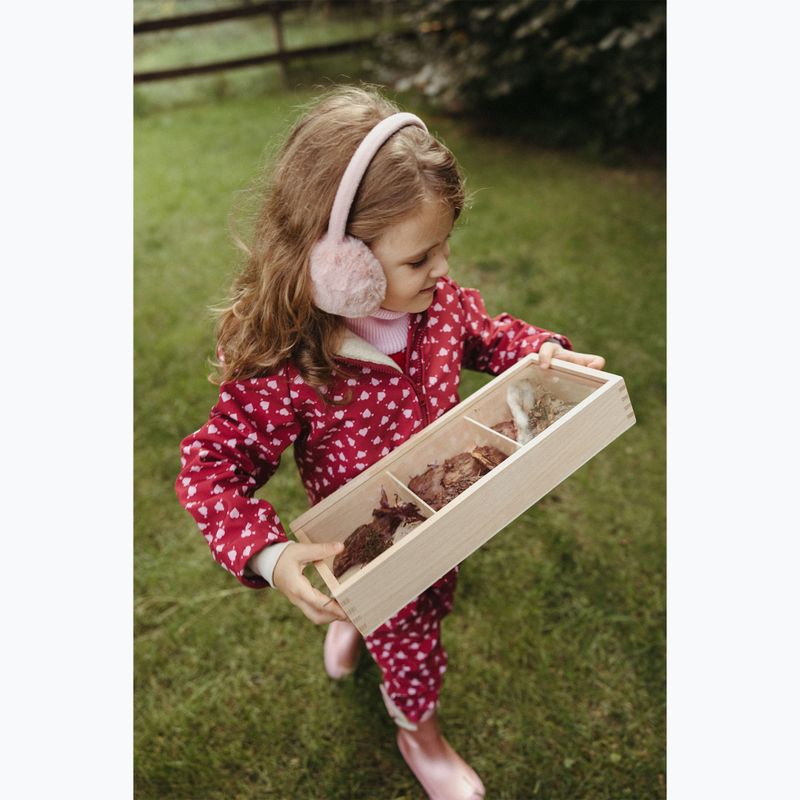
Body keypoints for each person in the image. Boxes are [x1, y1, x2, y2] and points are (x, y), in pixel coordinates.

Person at [175, 84, 606, 800]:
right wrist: (271, 555)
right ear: (340, 267)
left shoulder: (436, 305)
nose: (444, 269)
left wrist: (542, 350)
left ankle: (358, 623)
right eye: (421, 258)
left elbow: (487, 335)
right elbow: (209, 471)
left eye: (445, 247)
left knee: (423, 599)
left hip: (442, 505)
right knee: (411, 635)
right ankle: (419, 735)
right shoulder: (291, 366)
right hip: (369, 537)